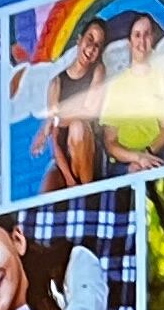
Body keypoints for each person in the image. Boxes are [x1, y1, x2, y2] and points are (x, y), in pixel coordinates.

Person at [98, 9, 164, 169]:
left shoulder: (161, 78)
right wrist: (137, 158)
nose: (142, 40)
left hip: (155, 155)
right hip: (125, 161)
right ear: (130, 41)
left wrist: (147, 153)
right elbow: (110, 143)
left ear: (152, 39)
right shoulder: (117, 86)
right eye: (137, 35)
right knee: (137, 173)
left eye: (146, 34)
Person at [35, 12, 112, 186]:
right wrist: (69, 179)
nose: (91, 48)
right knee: (48, 185)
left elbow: (89, 112)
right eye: (89, 39)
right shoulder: (56, 82)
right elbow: (55, 138)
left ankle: (88, 191)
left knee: (77, 126)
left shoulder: (98, 71)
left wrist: (56, 118)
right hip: (63, 159)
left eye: (98, 46)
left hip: (90, 154)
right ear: (79, 40)